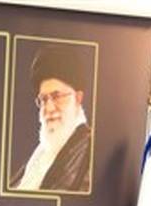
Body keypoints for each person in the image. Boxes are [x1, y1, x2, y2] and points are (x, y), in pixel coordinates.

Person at [10, 46, 93, 193]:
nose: (48, 108)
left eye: (57, 96)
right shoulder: (40, 153)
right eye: (43, 99)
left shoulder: (90, 151)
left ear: (78, 98)